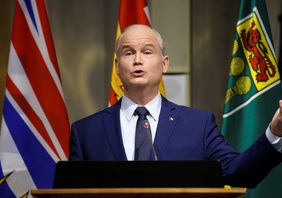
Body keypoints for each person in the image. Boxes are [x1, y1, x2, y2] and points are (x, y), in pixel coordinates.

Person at [69, 24, 282, 188]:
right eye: (128, 52)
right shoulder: (86, 132)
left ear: (165, 63)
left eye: (147, 52)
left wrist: (274, 132)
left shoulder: (198, 126)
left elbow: (240, 171)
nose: (137, 60)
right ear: (117, 66)